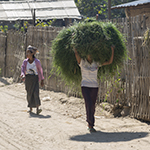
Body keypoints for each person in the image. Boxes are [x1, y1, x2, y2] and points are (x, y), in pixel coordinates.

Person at [74, 46, 114, 132]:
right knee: (88, 103)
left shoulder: (96, 63)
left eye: (91, 54)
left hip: (94, 87)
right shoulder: (82, 62)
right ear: (86, 55)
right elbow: (76, 53)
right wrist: (75, 48)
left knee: (92, 105)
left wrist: (112, 49)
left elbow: (110, 62)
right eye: (89, 54)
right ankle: (90, 124)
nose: (90, 56)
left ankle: (90, 122)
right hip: (85, 86)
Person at [21, 45, 44, 115]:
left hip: (35, 78)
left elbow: (40, 70)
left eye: (28, 53)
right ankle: (30, 108)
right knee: (29, 93)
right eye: (26, 52)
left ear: (32, 54)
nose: (27, 54)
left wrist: (42, 79)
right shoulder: (25, 62)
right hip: (28, 79)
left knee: (36, 93)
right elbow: (23, 69)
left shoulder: (37, 62)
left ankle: (37, 108)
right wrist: (22, 75)